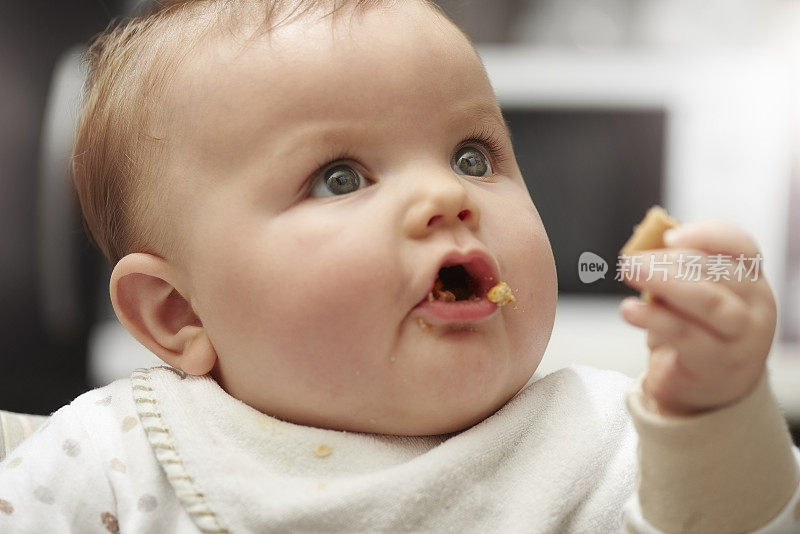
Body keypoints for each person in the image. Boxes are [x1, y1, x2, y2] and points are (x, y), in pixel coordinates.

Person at [1, 0, 799, 531]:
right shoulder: (112, 461)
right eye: (340, 177)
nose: (446, 195)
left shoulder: (604, 435)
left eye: (473, 155)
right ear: (180, 314)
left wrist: (715, 410)